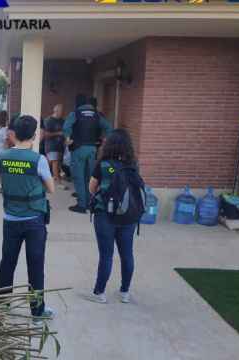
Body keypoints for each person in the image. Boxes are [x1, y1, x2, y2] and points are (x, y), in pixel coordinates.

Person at [0, 115, 55, 321]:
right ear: (34, 134)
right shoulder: (39, 160)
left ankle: (2, 306)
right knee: (35, 265)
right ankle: (37, 311)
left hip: (10, 219)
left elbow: (0, 184)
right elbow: (51, 188)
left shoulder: (2, 157)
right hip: (33, 221)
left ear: (14, 134)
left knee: (7, 263)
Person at [86, 129, 141, 304]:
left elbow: (91, 188)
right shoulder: (133, 165)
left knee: (106, 255)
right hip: (129, 215)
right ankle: (125, 292)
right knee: (127, 254)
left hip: (105, 215)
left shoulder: (102, 164)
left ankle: (99, 293)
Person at [63, 95, 112, 214]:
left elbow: (66, 127)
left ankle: (81, 205)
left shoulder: (75, 113)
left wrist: (68, 137)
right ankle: (90, 203)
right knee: (90, 176)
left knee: (78, 177)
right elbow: (109, 128)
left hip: (78, 148)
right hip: (92, 149)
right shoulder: (97, 115)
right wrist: (105, 139)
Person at [43, 104, 65, 186]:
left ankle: (42, 178)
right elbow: (46, 134)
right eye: (61, 111)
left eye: (63, 111)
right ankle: (58, 181)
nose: (62, 113)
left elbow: (65, 132)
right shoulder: (49, 120)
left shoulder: (62, 121)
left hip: (60, 146)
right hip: (51, 145)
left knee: (51, 163)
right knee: (55, 162)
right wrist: (58, 133)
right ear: (56, 111)